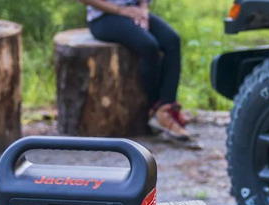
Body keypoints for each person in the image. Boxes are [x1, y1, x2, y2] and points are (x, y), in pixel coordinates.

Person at [80, 0, 190, 140]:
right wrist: (120, 10)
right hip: (103, 17)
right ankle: (155, 108)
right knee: (149, 46)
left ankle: (167, 107)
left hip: (133, 11)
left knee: (172, 40)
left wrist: (143, 9)